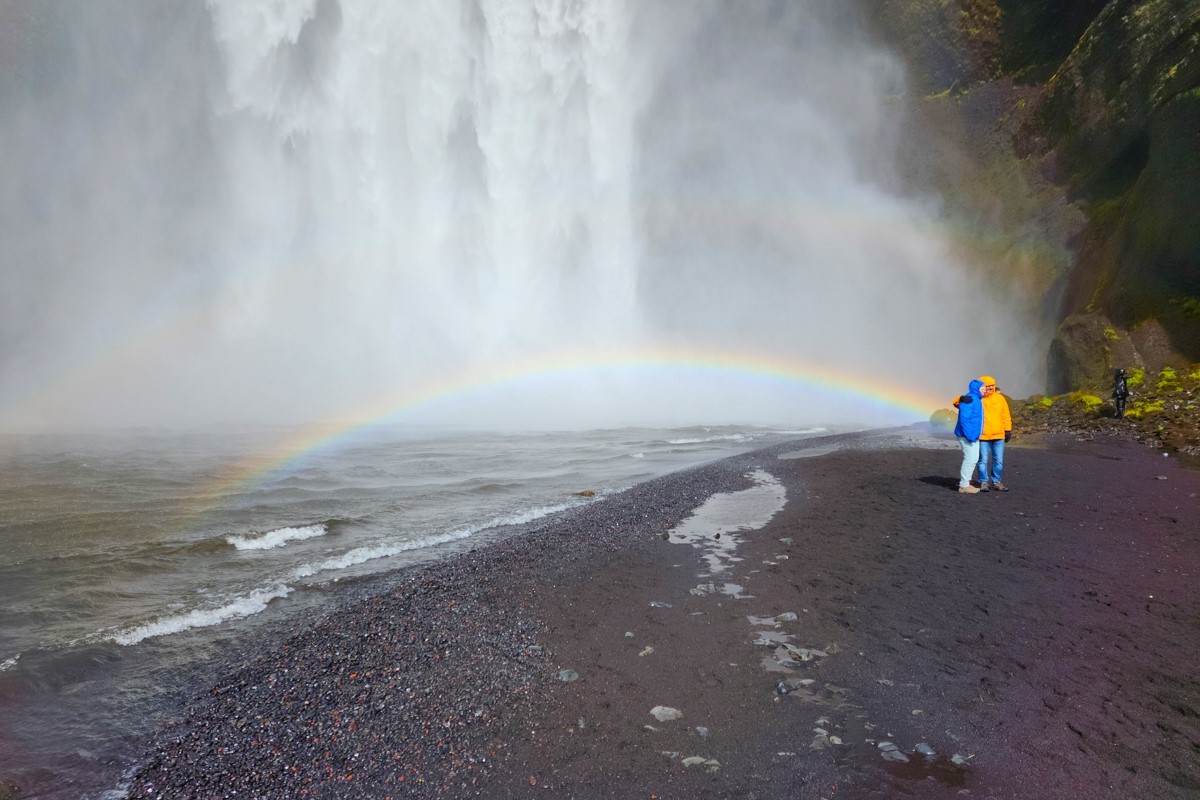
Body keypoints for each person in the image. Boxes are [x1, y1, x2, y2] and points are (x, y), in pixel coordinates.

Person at [975, 375, 1012, 492]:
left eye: (992, 385)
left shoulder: (1000, 398)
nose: (990, 388)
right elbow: (961, 404)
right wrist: (959, 399)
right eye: (988, 386)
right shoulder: (978, 398)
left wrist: (1008, 430)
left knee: (998, 461)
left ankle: (996, 482)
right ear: (982, 387)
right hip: (983, 435)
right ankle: (983, 482)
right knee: (982, 460)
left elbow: (1006, 415)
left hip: (999, 435)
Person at [953, 378, 985, 494]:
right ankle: (964, 486)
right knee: (970, 459)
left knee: (973, 458)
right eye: (983, 388)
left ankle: (966, 483)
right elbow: (964, 419)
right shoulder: (970, 399)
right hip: (967, 435)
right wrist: (970, 435)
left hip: (973, 435)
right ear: (977, 389)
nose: (985, 390)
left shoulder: (975, 399)